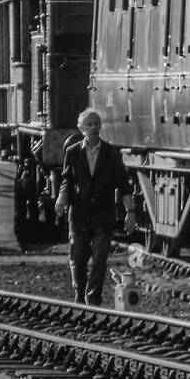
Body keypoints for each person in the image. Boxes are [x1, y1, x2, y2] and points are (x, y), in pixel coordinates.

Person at [55, 108, 136, 305]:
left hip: (103, 213)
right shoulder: (72, 152)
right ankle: (79, 293)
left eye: (96, 124)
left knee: (99, 260)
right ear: (81, 128)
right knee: (77, 258)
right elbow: (67, 178)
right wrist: (62, 196)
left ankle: (93, 298)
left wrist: (130, 212)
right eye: (89, 124)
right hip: (79, 213)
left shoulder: (111, 153)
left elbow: (123, 183)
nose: (93, 128)